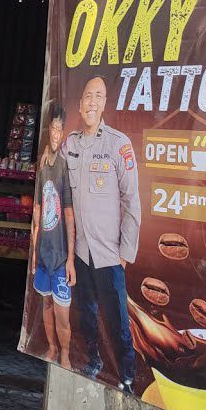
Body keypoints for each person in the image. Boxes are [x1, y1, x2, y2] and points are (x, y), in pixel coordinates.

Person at [63, 76, 141, 391]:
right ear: (80, 104)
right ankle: (93, 361)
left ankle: (127, 376)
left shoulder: (118, 144)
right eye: (87, 96)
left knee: (118, 321)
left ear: (104, 103)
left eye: (98, 96)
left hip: (109, 254)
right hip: (81, 251)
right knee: (86, 314)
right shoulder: (71, 144)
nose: (92, 102)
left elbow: (132, 200)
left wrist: (125, 254)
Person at [29, 102, 77, 369]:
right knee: (46, 304)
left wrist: (70, 259)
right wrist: (35, 252)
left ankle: (65, 354)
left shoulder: (64, 166)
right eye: (53, 129)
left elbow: (68, 213)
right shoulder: (42, 166)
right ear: (48, 131)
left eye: (60, 130)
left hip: (60, 256)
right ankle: (52, 348)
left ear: (64, 132)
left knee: (62, 313)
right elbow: (37, 209)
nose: (56, 134)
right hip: (44, 253)